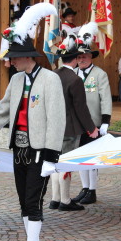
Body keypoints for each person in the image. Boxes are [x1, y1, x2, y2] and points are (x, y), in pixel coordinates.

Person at [0, 3, 66, 241]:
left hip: (40, 152)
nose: (10, 61)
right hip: (20, 149)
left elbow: (57, 120)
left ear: (27, 56)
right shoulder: (15, 81)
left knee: (33, 201)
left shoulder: (50, 79)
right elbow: (0, 113)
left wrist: (51, 157)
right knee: (24, 203)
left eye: (13, 57)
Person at [49, 33, 99, 211]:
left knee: (54, 162)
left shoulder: (53, 75)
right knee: (65, 163)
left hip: (53, 128)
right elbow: (81, 108)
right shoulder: (75, 80)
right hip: (69, 129)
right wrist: (91, 128)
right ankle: (65, 200)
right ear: (76, 59)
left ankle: (55, 199)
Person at [72, 24, 112, 204]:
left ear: (90, 57)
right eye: (79, 56)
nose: (81, 59)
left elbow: (106, 98)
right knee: (80, 157)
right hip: (77, 123)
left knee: (93, 158)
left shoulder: (99, 74)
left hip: (94, 122)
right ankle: (84, 188)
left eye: (84, 56)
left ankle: (93, 190)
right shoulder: (73, 73)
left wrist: (105, 121)